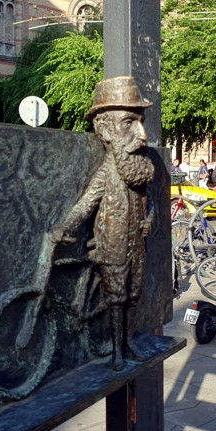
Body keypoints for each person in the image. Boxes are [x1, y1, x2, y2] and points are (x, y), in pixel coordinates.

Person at [53, 76, 154, 372]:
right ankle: (116, 351)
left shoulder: (140, 169)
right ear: (105, 129)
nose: (142, 135)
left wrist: (149, 220)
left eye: (141, 122)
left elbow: (152, 204)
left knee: (133, 295)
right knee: (116, 299)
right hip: (113, 246)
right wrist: (65, 227)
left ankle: (128, 343)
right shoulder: (107, 173)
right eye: (129, 123)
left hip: (137, 245)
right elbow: (86, 204)